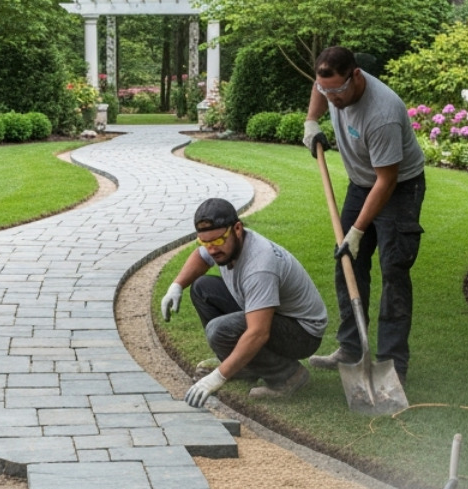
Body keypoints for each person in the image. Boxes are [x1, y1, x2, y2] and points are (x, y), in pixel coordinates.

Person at [301, 45, 427, 385]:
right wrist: (312, 120)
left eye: (337, 91)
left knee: (393, 271)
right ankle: (351, 347)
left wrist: (357, 230)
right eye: (325, 90)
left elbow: (386, 181)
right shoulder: (331, 85)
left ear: (356, 76)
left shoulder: (382, 113)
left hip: (399, 189)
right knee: (347, 263)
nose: (332, 98)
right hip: (361, 185)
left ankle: (392, 363)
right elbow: (319, 88)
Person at [162, 198, 328, 407]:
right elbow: (201, 257)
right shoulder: (223, 242)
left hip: (302, 332)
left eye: (218, 241)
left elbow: (258, 333)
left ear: (237, 229)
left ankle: (288, 375)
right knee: (202, 287)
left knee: (219, 330)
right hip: (273, 312)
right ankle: (241, 367)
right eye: (206, 242)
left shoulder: (260, 265)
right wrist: (176, 285)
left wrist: (217, 378)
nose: (212, 249)